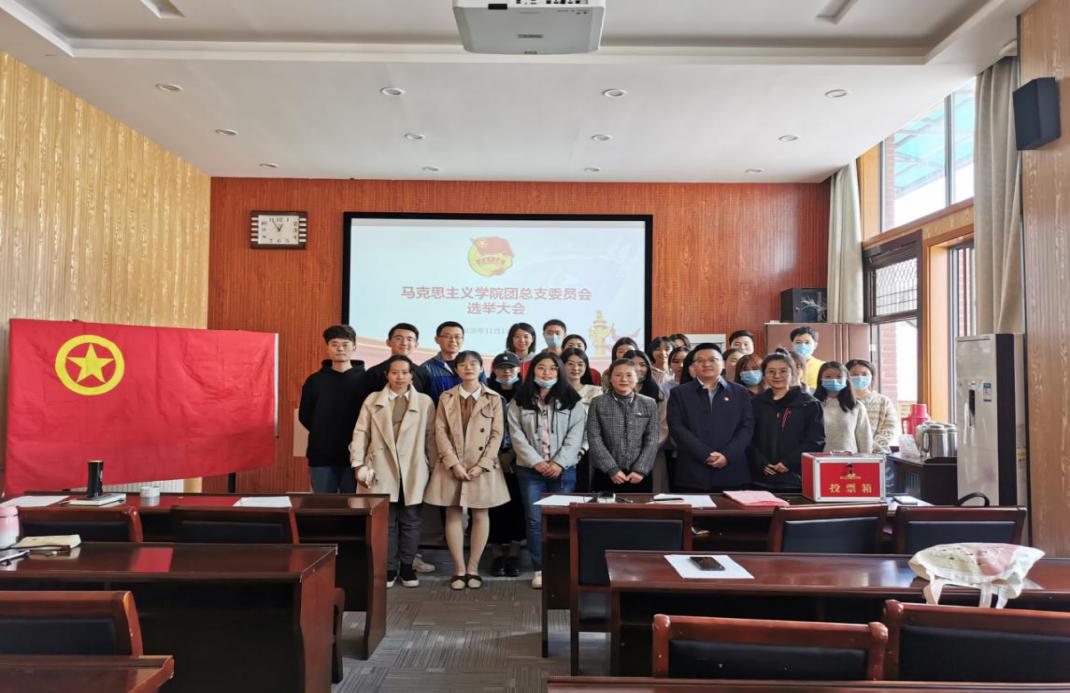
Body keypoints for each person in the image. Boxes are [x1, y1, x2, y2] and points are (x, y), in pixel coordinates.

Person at [423, 351, 508, 591]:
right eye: (463, 364)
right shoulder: (446, 397)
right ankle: (459, 569)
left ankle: (473, 568)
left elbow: (497, 434)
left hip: (483, 466)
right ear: (457, 370)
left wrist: (482, 465)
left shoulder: (494, 398)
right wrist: (453, 463)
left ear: (481, 368)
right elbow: (439, 431)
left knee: (481, 513)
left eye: (473, 364)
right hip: (452, 465)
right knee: (453, 513)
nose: (468, 368)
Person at [349, 355, 435, 588]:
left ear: (412, 376)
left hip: (413, 469)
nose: (399, 377)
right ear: (386, 375)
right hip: (381, 468)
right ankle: (388, 568)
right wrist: (357, 463)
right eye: (395, 372)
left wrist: (434, 468)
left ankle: (407, 567)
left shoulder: (425, 402)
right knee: (386, 522)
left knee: (411, 521)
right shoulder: (373, 399)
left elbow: (431, 437)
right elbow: (361, 432)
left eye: (405, 372)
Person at [507, 352, 587, 589]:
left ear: (559, 372)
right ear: (532, 370)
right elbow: (516, 435)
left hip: (563, 470)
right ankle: (540, 569)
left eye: (552, 368)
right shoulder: (520, 400)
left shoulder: (572, 400)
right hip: (530, 470)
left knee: (561, 519)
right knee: (534, 521)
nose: (547, 372)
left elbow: (576, 435)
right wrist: (536, 462)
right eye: (541, 368)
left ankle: (560, 568)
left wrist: (559, 463)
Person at [667, 343, 754, 492]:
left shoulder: (740, 392)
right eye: (700, 360)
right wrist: (705, 455)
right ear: (693, 367)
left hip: (732, 471)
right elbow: (677, 428)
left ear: (723, 364)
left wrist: (727, 455)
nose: (706, 364)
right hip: (693, 473)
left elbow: (747, 427)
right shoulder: (679, 393)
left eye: (713, 359)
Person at [299, 325, 365, 493]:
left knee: (354, 504)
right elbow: (305, 416)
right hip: (322, 455)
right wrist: (323, 431)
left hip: (357, 457)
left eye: (345, 344)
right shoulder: (315, 380)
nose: (340, 349)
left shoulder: (366, 379)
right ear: (327, 347)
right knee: (323, 504)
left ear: (354, 347)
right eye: (334, 344)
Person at [747, 353, 825, 491]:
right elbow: (747, 437)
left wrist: (788, 462)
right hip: (759, 478)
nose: (777, 376)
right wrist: (759, 462)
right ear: (764, 375)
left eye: (783, 371)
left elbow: (816, 440)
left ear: (793, 373)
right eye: (771, 371)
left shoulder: (809, 403)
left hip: (795, 479)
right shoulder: (756, 402)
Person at [587, 359, 660, 493]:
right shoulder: (597, 403)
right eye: (618, 375)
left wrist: (640, 470)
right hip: (606, 473)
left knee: (640, 506)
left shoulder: (649, 403)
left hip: (639, 476)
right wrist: (611, 469)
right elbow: (594, 438)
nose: (623, 379)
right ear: (610, 378)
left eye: (629, 375)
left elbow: (652, 439)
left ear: (637, 378)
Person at [486, 352, 526, 578]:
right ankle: (496, 554)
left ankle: (514, 553)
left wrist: (511, 453)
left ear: (518, 370)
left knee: (517, 506)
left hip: (519, 459)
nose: (506, 371)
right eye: (501, 368)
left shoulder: (527, 393)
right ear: (494, 370)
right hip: (491, 459)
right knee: (493, 506)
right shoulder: (485, 391)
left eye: (511, 367)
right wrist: (496, 455)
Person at [846, 358, 900, 490]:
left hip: (877, 456)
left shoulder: (883, 401)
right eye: (854, 374)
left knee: (875, 492)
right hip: (846, 458)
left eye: (864, 374)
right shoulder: (842, 402)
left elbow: (889, 429)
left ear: (872, 377)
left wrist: (870, 448)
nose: (859, 377)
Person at [562, 346, 603, 492]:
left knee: (584, 489)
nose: (575, 368)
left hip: (588, 448)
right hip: (561, 448)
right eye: (570, 364)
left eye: (580, 364)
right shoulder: (555, 391)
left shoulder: (596, 391)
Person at [359, 323, 430, 402]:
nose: (404, 343)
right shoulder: (373, 373)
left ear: (416, 344)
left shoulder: (423, 374)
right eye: (398, 338)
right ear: (388, 342)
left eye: (409, 339)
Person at [814, 361, 873, 454]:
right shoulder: (813, 405)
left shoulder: (856, 406)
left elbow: (865, 439)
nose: (834, 380)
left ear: (847, 379)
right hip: (818, 458)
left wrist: (867, 458)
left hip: (849, 459)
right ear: (821, 379)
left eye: (839, 377)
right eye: (828, 377)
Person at [422, 321, 483, 405]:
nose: (453, 340)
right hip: (440, 412)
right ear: (437, 339)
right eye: (447, 336)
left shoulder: (475, 366)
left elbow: (484, 395)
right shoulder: (426, 368)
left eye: (457, 337)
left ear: (463, 339)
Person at [790, 326, 824, 390]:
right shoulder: (786, 364)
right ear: (792, 344)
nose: (803, 345)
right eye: (798, 342)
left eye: (807, 342)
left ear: (815, 345)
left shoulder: (822, 366)